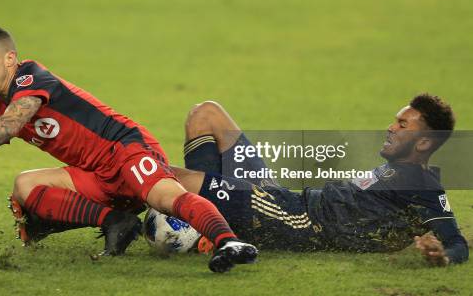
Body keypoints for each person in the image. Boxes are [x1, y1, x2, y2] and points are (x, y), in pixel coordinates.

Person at [0, 27, 257, 273]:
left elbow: (14, 123)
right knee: (24, 187)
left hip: (125, 151)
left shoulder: (32, 76)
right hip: (97, 177)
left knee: (167, 197)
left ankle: (228, 241)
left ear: (9, 59)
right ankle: (114, 222)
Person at [176, 96, 469, 266]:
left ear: (423, 143)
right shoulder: (398, 170)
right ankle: (203, 225)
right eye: (395, 120)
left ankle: (192, 220)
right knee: (206, 114)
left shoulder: (422, 185)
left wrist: (443, 256)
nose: (391, 128)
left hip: (293, 220)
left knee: (177, 178)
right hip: (283, 200)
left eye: (403, 125)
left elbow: (457, 243)